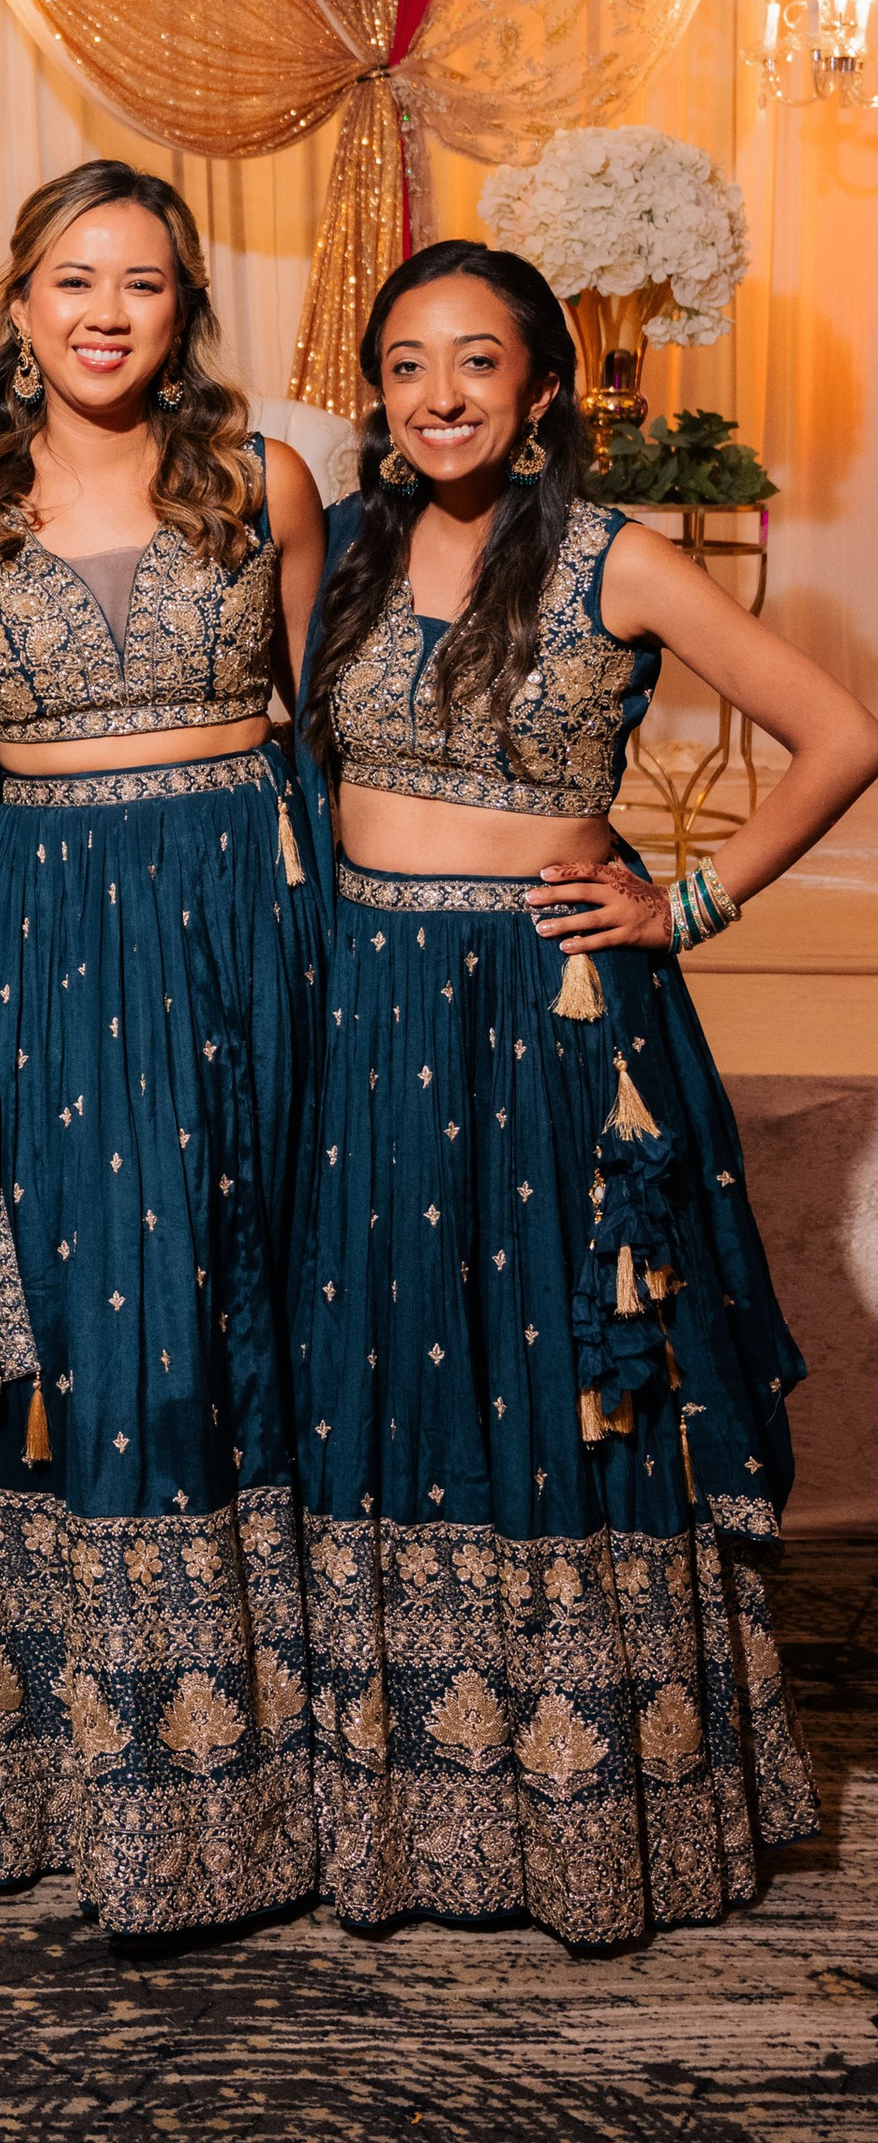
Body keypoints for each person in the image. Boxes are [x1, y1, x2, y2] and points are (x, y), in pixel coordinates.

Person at [293, 238, 878, 1943]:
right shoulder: (346, 555)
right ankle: (403, 1806)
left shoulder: (617, 558)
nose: (440, 394)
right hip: (369, 1004)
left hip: (552, 1016)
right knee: (390, 1358)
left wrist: (688, 899)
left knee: (566, 1376)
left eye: (478, 361)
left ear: (542, 388)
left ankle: (593, 1808)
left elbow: (838, 730)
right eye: (407, 363)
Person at [0, 162, 327, 1936]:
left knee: (237, 1313)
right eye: (72, 279)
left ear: (183, 310)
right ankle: (82, 1780)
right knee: (96, 1328)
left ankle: (255, 1782)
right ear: (16, 307)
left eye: (141, 283)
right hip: (52, 956)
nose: (104, 310)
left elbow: (327, 733)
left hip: (240, 937)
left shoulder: (261, 483)